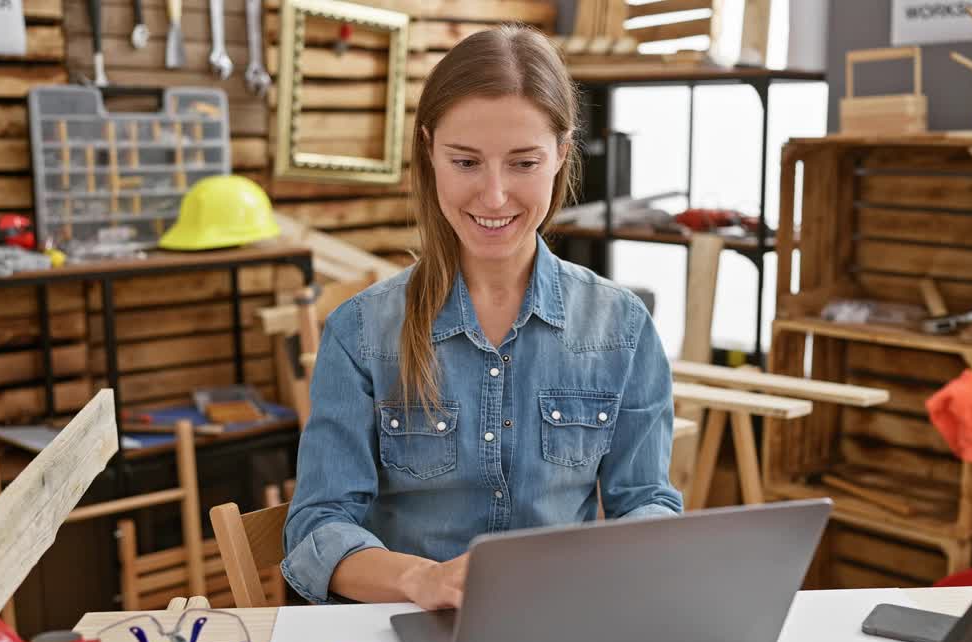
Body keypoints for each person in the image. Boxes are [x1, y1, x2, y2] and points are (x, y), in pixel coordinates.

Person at [282, 25, 682, 610]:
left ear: (562, 154)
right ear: (429, 151)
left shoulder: (622, 327)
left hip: (562, 626)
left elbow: (646, 500)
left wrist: (631, 553)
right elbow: (317, 527)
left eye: (523, 163)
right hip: (401, 636)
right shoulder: (360, 334)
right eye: (466, 161)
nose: (494, 196)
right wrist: (422, 581)